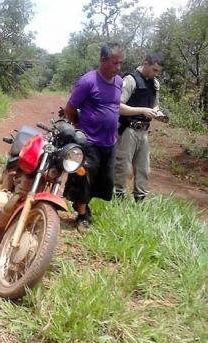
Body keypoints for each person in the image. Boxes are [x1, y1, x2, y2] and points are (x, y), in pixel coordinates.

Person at [63, 42, 124, 231]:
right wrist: (78, 126)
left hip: (110, 141)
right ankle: (81, 215)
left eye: (121, 63)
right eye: (115, 63)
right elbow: (70, 108)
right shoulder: (88, 81)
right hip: (89, 141)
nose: (118, 67)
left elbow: (114, 107)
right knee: (83, 179)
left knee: (103, 180)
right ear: (102, 60)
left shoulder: (119, 82)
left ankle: (84, 205)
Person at [114, 52, 164, 202]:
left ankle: (140, 200)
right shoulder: (130, 80)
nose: (156, 74)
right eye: (154, 70)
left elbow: (155, 103)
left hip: (144, 131)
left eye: (158, 72)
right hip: (127, 129)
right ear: (146, 63)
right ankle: (118, 198)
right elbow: (118, 106)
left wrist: (156, 112)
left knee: (144, 168)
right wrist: (142, 110)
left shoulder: (155, 84)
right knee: (123, 167)